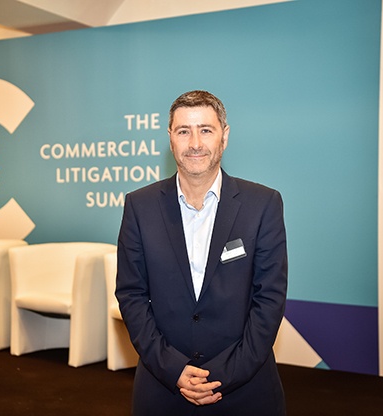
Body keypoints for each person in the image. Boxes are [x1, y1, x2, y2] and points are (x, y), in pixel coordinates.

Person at [115, 90, 287, 415]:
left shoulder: (263, 205)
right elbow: (131, 295)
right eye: (184, 131)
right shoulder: (139, 206)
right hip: (163, 389)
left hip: (245, 390)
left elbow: (269, 300)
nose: (195, 143)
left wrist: (223, 375)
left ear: (225, 136)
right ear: (170, 138)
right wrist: (173, 369)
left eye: (205, 130)